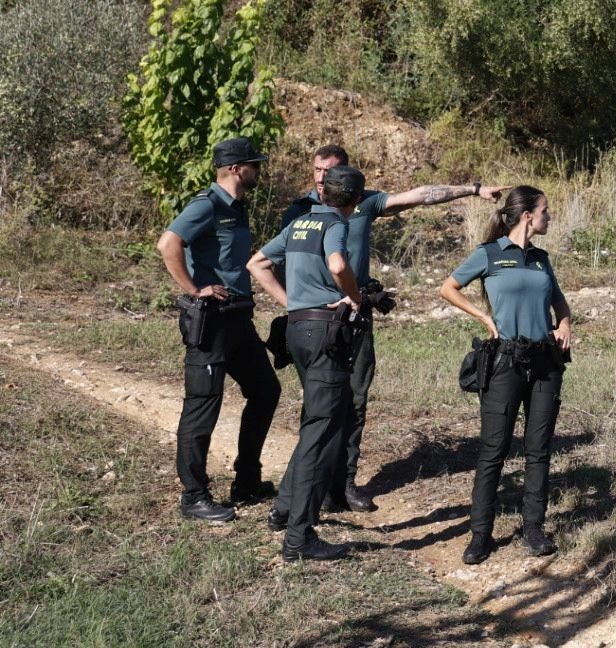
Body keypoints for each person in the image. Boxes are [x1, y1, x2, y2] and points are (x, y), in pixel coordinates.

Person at [281, 143, 502, 513]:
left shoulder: (362, 203)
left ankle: (343, 483)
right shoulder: (300, 212)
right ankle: (309, 488)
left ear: (345, 175)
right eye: (317, 169)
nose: (322, 178)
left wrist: (475, 189)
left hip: (355, 317)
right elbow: (276, 261)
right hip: (316, 321)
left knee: (354, 399)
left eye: (330, 171)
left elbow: (420, 197)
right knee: (320, 405)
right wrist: (295, 302)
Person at [439, 185, 574, 565]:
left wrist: (564, 323)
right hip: (504, 362)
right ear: (528, 215)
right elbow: (448, 288)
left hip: (546, 361)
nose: (550, 217)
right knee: (493, 450)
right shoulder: (490, 254)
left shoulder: (541, 258)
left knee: (539, 449)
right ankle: (480, 534)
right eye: (546, 211)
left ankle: (533, 529)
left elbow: (558, 300)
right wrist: (483, 317)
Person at [156, 137, 281, 523]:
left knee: (265, 391)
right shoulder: (206, 204)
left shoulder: (237, 207)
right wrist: (194, 289)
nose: (259, 171)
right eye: (254, 165)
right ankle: (194, 496)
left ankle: (246, 481)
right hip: (211, 321)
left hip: (238, 319)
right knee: (203, 406)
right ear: (235, 168)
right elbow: (168, 243)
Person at [247, 163, 368, 561]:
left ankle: (285, 508)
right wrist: (355, 296)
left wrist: (292, 304)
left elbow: (257, 264)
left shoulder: (299, 223)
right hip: (324, 334)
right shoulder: (337, 224)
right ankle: (299, 537)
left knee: (317, 421)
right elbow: (337, 265)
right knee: (323, 429)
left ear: (323, 192)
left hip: (297, 330)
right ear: (355, 199)